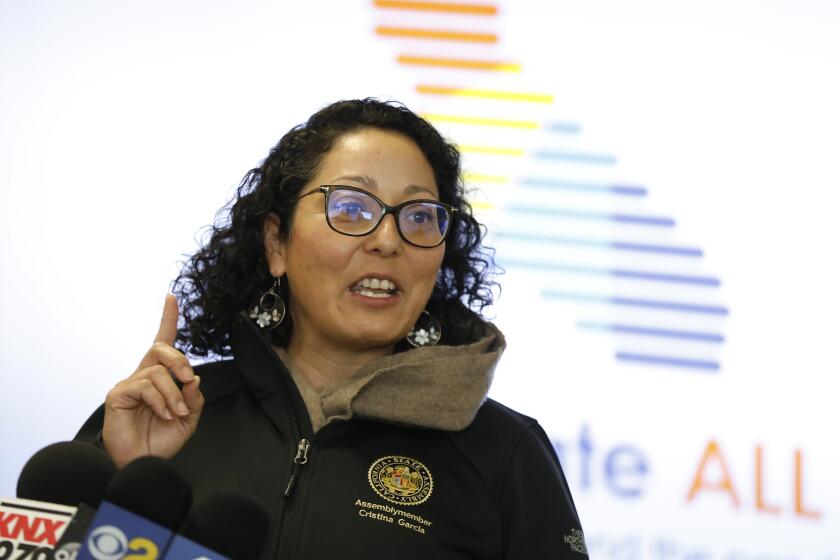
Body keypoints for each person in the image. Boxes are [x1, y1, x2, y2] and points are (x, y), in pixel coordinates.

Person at [76, 99, 589, 559]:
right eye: (350, 207)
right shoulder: (166, 418)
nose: (389, 241)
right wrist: (128, 478)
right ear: (277, 243)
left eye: (419, 216)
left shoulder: (504, 452)